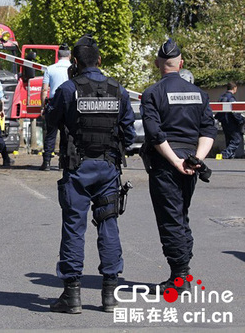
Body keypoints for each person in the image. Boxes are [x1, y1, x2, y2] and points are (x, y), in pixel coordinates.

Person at [45, 34, 135, 313]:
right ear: (99, 60)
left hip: (78, 168)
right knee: (108, 224)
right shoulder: (117, 89)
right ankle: (109, 294)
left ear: (74, 62)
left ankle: (72, 296)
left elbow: (50, 120)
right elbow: (129, 132)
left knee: (74, 226)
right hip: (108, 168)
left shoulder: (68, 89)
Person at [140, 39, 216, 294]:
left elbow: (154, 133)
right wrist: (197, 160)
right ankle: (183, 269)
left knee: (170, 218)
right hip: (192, 162)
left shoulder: (153, 93)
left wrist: (175, 161)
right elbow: (208, 131)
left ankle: (179, 276)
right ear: (181, 64)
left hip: (167, 163)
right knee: (181, 214)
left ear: (157, 64)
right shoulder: (200, 94)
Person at [40, 43, 72, 171]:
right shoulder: (72, 68)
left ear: (58, 56)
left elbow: (44, 90)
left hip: (53, 102)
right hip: (68, 103)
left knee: (51, 133)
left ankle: (46, 162)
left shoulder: (50, 69)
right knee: (66, 134)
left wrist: (43, 106)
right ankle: (62, 163)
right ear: (69, 56)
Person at [216, 82, 244, 159]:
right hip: (231, 121)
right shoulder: (231, 98)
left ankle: (230, 155)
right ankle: (224, 154)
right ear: (234, 88)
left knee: (229, 139)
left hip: (224, 121)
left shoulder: (222, 97)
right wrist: (241, 120)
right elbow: (235, 112)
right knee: (236, 139)